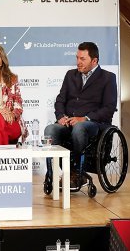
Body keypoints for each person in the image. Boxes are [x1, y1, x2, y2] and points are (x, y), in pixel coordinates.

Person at [44, 42, 117, 188]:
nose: (78, 62)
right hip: (69, 121)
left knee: (80, 127)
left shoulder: (108, 78)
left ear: (94, 60)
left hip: (94, 124)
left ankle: (78, 171)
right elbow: (60, 100)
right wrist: (60, 117)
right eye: (77, 58)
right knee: (50, 130)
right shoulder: (71, 75)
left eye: (82, 59)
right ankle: (60, 171)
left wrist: (85, 118)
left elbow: (109, 108)